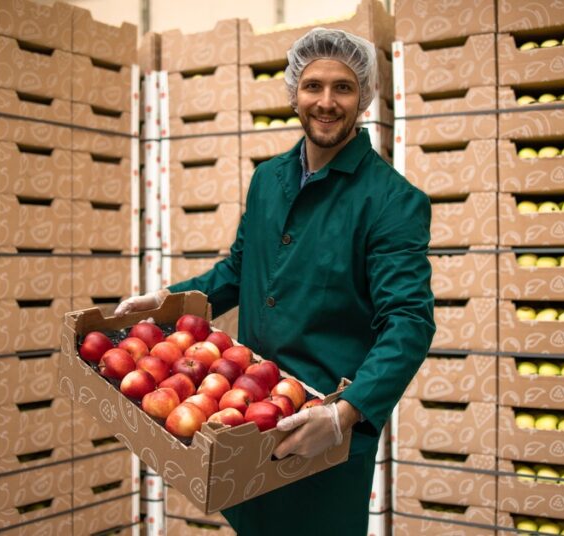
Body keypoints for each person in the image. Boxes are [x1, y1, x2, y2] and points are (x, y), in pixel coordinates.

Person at [115, 27, 434, 535]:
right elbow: (238, 271)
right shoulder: (269, 179)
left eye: (343, 88)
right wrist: (168, 300)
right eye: (313, 86)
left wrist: (344, 415)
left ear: (364, 97)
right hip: (245, 412)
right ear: (294, 92)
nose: (326, 102)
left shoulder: (392, 200)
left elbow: (409, 322)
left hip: (320, 432)